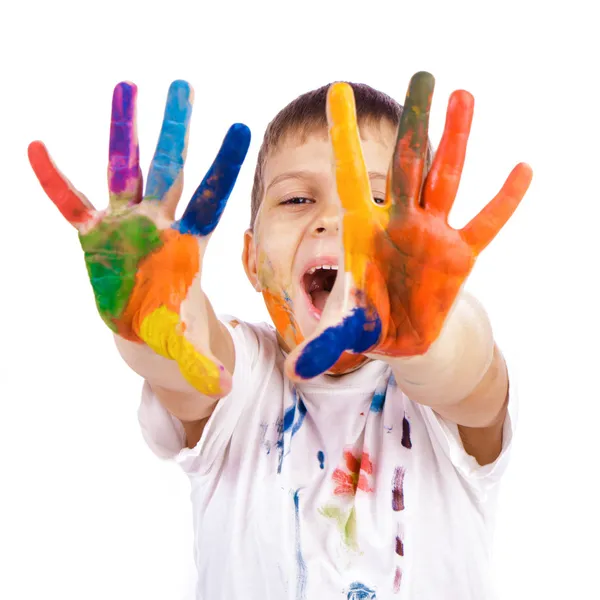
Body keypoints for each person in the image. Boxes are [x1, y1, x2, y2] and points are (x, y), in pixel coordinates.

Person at [28, 72, 532, 599]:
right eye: (296, 201)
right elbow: (189, 363)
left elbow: (467, 373)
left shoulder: (437, 405)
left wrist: (429, 331)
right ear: (250, 259)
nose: (334, 220)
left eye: (377, 198)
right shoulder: (247, 381)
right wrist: (155, 319)